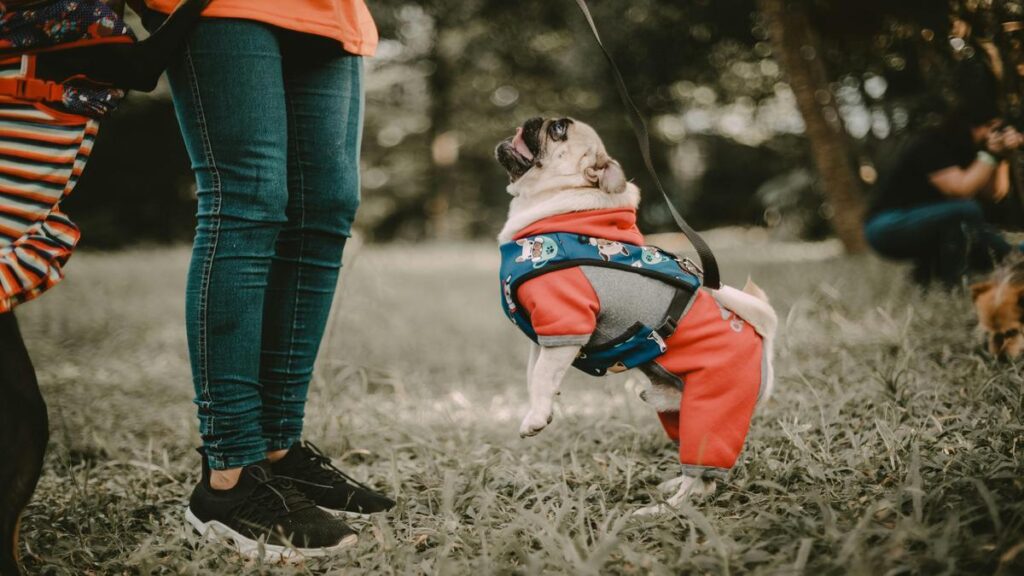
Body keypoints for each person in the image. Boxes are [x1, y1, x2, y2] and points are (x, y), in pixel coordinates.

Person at [140, 0, 394, 555]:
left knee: (326, 207)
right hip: (222, 7)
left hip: (331, 12)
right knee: (248, 198)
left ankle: (279, 450)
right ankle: (229, 477)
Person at [864, 103, 1024, 287]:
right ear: (974, 125)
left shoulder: (973, 152)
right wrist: (991, 154)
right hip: (886, 226)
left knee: (1005, 251)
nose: (996, 135)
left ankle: (928, 278)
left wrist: (1003, 156)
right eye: (994, 128)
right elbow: (960, 190)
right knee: (965, 211)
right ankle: (952, 284)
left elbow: (994, 194)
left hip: (935, 222)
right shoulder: (931, 143)